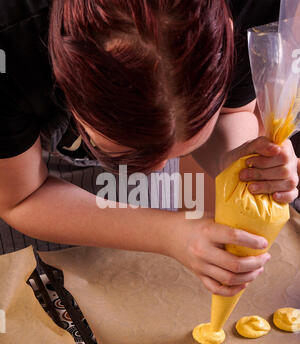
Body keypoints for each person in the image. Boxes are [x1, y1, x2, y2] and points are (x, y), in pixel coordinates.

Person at [0, 0, 299, 298]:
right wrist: (167, 233)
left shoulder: (252, 8)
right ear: (61, 70)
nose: (156, 174)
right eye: (128, 154)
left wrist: (236, 160)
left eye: (179, 150)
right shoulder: (9, 39)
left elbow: (231, 113)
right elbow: (21, 198)